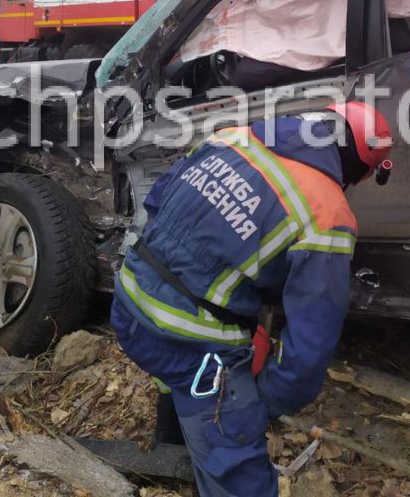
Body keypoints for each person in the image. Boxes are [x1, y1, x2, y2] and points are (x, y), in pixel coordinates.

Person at [111, 103, 393, 497]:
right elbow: (309, 351)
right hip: (190, 350)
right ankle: (210, 441)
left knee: (174, 357)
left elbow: (156, 203)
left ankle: (173, 437)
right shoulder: (327, 211)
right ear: (362, 169)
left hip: (127, 306)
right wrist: (262, 402)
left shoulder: (232, 138)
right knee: (239, 468)